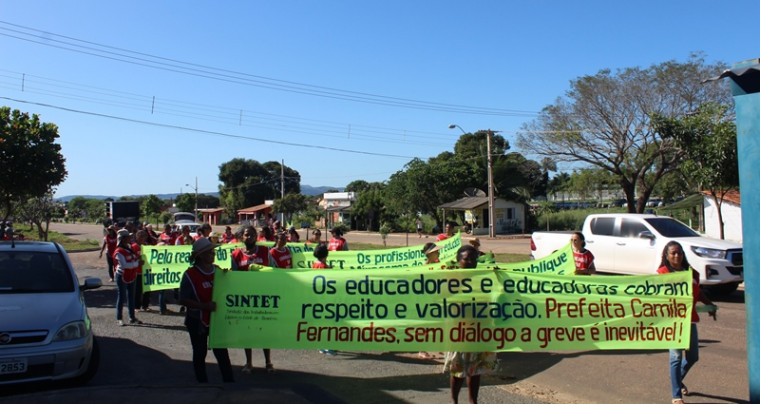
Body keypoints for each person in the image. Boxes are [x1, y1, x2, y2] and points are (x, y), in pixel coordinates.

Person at [657, 241, 715, 404]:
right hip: (672, 322)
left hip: (689, 321)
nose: (677, 256)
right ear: (666, 256)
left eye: (679, 253)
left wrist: (709, 304)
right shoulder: (662, 274)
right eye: (673, 253)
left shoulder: (691, 273)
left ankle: (676, 376)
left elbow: (698, 291)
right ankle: (676, 396)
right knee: (675, 357)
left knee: (693, 357)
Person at [443, 244, 499, 404]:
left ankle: (473, 400)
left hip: (478, 328)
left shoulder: (481, 278)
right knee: (458, 367)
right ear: (458, 260)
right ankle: (454, 399)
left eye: (474, 259)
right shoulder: (452, 278)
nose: (471, 262)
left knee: (475, 368)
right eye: (467, 259)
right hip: (458, 330)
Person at [179, 237, 235, 383]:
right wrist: (203, 306)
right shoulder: (190, 275)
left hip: (215, 319)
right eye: (210, 252)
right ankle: (202, 384)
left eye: (213, 251)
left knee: (221, 351)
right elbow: (183, 299)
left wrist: (228, 278)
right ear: (201, 255)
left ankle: (229, 382)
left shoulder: (217, 271)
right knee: (199, 352)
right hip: (197, 320)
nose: (213, 254)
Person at [229, 225, 275, 374]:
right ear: (242, 237)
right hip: (246, 301)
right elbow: (233, 278)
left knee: (264, 332)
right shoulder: (235, 255)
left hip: (264, 299)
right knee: (247, 332)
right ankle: (249, 362)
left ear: (257, 236)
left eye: (252, 234)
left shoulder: (265, 252)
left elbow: (275, 272)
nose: (249, 237)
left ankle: (268, 362)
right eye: (246, 235)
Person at [312, 244, 337, 355]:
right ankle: (328, 346)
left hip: (317, 298)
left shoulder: (314, 265)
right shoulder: (324, 267)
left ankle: (321, 346)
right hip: (325, 298)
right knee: (328, 323)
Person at [114, 229, 142, 326]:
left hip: (131, 275)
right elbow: (125, 265)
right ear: (123, 239)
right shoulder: (119, 251)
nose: (130, 238)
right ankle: (119, 318)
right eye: (128, 237)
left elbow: (132, 260)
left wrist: (137, 259)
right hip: (122, 276)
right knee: (121, 297)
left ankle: (132, 317)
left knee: (131, 297)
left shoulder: (129, 248)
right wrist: (137, 263)